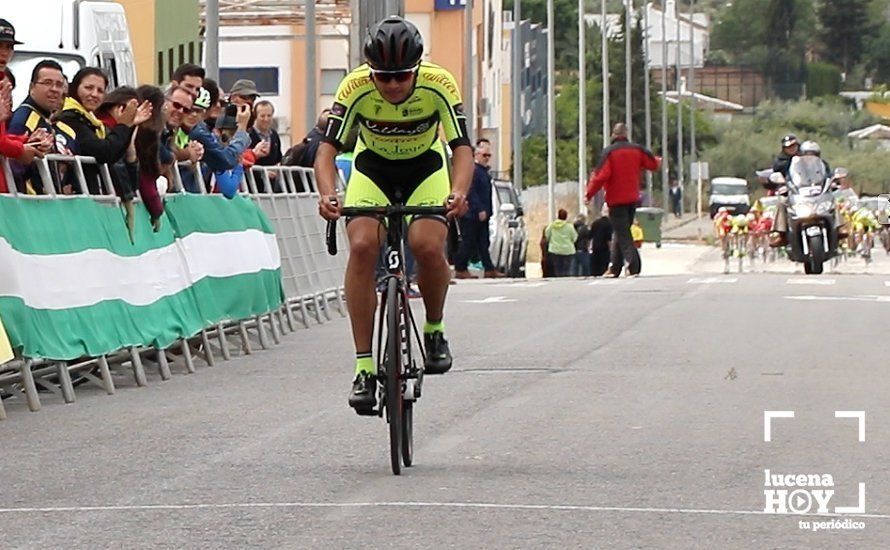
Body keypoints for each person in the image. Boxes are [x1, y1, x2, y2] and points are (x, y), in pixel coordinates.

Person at [314, 16, 472, 411]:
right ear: (372, 71)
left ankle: (434, 327)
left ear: (416, 69)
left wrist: (458, 191)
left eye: (402, 76)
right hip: (374, 169)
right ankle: (364, 366)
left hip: (426, 169)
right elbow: (327, 150)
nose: (393, 86)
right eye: (384, 77)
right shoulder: (354, 87)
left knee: (426, 244)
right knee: (364, 245)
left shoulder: (439, 83)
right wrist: (328, 193)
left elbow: (462, 147)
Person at [55, 67, 152, 195]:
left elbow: (114, 155)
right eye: (89, 88)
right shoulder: (70, 118)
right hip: (79, 198)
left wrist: (130, 125)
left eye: (100, 90)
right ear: (75, 89)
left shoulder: (92, 121)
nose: (94, 94)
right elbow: (104, 152)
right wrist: (124, 125)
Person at [585, 122, 660, 277]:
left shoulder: (609, 153)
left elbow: (600, 176)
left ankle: (633, 265)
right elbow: (653, 164)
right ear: (626, 134)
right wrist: (659, 160)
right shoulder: (637, 150)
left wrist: (589, 194)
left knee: (623, 233)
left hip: (616, 200)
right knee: (620, 233)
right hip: (633, 198)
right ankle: (615, 268)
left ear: (613, 135)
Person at [7, 59, 72, 193]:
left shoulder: (47, 119)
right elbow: (13, 168)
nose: (54, 89)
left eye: (59, 85)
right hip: (30, 204)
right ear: (32, 87)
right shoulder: (24, 119)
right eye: (47, 83)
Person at [454, 138, 504, 279]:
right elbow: (471, 191)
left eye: (489, 155)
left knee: (483, 242)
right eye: (484, 155)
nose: (487, 158)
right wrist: (479, 209)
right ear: (476, 155)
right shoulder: (474, 170)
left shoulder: (483, 172)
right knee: (468, 242)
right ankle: (460, 268)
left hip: (483, 214)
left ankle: (489, 268)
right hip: (472, 213)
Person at [544, 209, 578, 277]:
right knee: (567, 269)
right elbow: (575, 237)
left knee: (557, 268)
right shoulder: (569, 227)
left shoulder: (552, 226)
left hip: (555, 249)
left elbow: (546, 234)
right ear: (566, 217)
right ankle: (565, 281)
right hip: (568, 250)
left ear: (558, 216)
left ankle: (558, 279)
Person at [589, 206, 613, 277]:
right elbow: (609, 238)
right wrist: (611, 249)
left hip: (595, 248)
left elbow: (590, 236)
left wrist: (590, 247)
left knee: (595, 268)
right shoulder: (609, 223)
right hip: (604, 249)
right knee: (603, 267)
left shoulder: (595, 223)